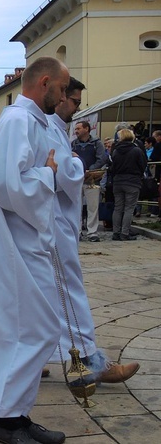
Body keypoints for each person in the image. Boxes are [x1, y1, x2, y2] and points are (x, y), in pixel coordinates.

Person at [0, 56, 69, 444]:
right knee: (37, 327)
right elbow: (7, 186)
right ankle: (4, 419)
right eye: (62, 88)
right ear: (44, 82)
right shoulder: (18, 121)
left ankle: (15, 415)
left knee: (35, 328)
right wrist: (49, 174)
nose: (65, 95)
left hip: (26, 240)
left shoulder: (27, 121)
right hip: (13, 244)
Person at [47, 76, 139, 383]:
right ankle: (90, 361)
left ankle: (36, 358)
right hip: (52, 222)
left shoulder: (53, 129)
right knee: (68, 291)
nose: (77, 110)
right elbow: (62, 175)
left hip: (55, 220)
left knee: (48, 292)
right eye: (74, 101)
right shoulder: (48, 127)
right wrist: (75, 164)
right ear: (59, 96)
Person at [71, 120, 106, 242]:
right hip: (77, 179)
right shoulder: (73, 144)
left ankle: (92, 232)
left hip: (92, 179)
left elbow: (102, 158)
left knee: (93, 206)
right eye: (75, 129)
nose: (76, 131)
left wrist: (90, 170)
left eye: (78, 129)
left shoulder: (97, 143)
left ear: (86, 129)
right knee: (76, 207)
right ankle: (77, 231)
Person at [111, 128, 147, 241]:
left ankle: (115, 232)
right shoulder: (136, 150)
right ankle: (125, 233)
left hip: (118, 181)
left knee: (118, 208)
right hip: (132, 181)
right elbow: (143, 165)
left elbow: (113, 167)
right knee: (129, 208)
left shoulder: (116, 151)